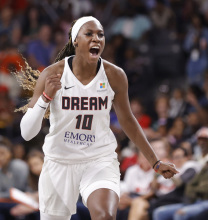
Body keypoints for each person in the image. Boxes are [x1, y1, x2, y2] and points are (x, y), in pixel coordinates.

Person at [18, 16, 178, 220]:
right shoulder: (53, 74)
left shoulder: (114, 75)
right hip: (60, 160)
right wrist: (46, 98)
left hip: (98, 159)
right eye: (89, 34)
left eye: (100, 34)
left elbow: (128, 121)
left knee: (105, 216)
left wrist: (155, 161)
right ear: (75, 40)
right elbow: (26, 133)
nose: (97, 39)